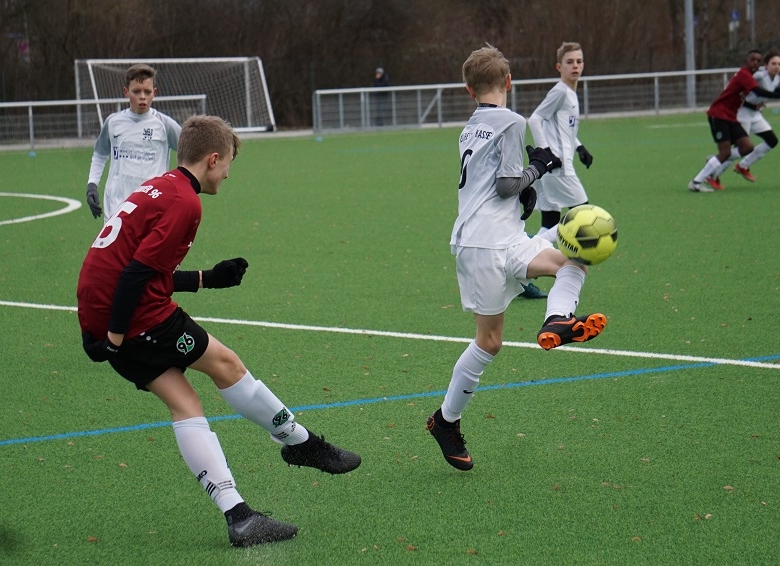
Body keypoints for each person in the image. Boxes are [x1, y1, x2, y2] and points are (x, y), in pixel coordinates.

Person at [76, 115, 361, 548]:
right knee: (227, 365)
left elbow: (140, 271)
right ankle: (300, 443)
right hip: (133, 316)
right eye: (227, 163)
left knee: (186, 405)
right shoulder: (186, 203)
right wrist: (114, 339)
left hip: (102, 309)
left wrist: (208, 278)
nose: (228, 173)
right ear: (212, 159)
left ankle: (240, 517)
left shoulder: (159, 186)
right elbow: (134, 276)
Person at [425, 45, 607, 471]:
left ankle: (557, 319)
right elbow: (506, 183)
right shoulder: (510, 120)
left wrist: (524, 194)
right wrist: (537, 168)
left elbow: (495, 186)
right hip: (483, 245)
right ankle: (445, 422)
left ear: (469, 90)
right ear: (509, 82)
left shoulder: (470, 126)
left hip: (503, 236)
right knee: (489, 342)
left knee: (572, 261)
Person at [523, 42, 594, 299]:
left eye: (579, 61)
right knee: (584, 214)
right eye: (569, 62)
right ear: (559, 67)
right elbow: (535, 119)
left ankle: (522, 274)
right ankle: (525, 247)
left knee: (551, 222)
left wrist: (579, 146)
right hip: (558, 168)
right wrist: (546, 152)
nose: (575, 66)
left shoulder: (571, 93)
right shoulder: (560, 92)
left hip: (554, 167)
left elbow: (564, 130)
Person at [688, 49, 780, 193]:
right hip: (719, 114)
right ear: (746, 61)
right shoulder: (744, 75)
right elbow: (757, 91)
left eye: (758, 61)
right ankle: (696, 182)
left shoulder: (751, 76)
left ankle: (717, 161)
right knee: (725, 152)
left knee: (747, 147)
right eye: (753, 60)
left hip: (731, 116)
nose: (755, 63)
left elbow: (765, 90)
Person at [85, 63, 181, 221]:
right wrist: (92, 185)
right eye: (136, 91)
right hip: (116, 207)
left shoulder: (165, 125)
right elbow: (100, 154)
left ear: (154, 93)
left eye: (147, 92)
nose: (142, 96)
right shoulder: (113, 122)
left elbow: (189, 154)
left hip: (152, 209)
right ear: (126, 92)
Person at [730, 49, 780, 182]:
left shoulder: (776, 78)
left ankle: (743, 165)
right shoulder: (758, 76)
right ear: (766, 65)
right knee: (740, 148)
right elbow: (757, 91)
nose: (777, 66)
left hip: (755, 114)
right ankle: (713, 166)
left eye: (779, 64)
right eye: (773, 63)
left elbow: (775, 89)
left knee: (772, 140)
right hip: (742, 112)